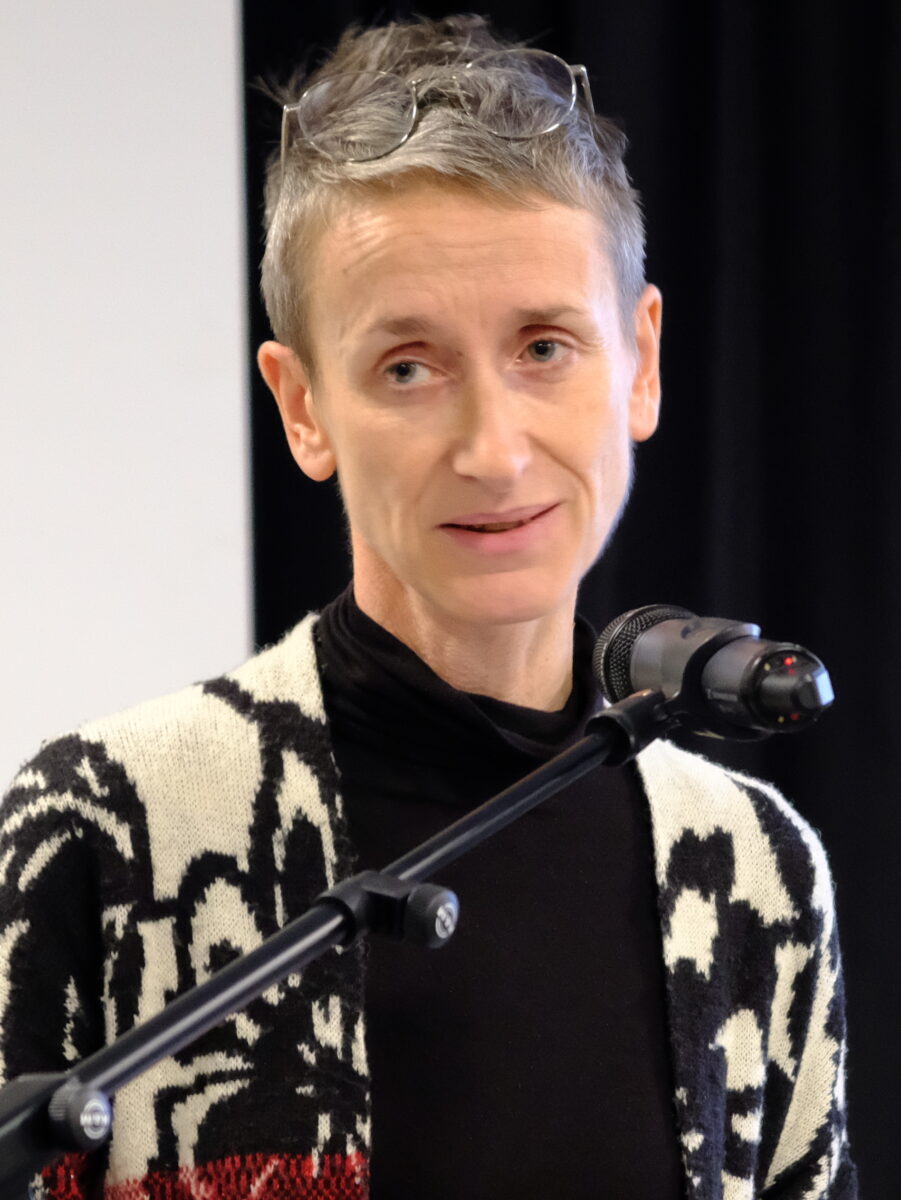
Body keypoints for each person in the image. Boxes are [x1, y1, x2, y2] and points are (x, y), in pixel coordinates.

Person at [0, 14, 855, 1200]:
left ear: (642, 362)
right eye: (408, 366)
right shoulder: (101, 826)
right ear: (303, 407)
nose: (493, 451)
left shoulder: (757, 867)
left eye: (544, 347)